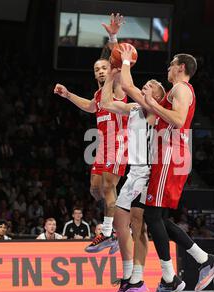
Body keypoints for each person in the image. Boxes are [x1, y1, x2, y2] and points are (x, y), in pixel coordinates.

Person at [138, 53, 214, 292]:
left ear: (181, 67)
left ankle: (170, 278)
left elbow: (179, 119)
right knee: (157, 217)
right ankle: (203, 259)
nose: (168, 67)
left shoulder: (182, 88)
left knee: (152, 215)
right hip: (167, 156)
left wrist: (152, 105)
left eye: (171, 64)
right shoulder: (174, 92)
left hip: (170, 155)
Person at [54, 13, 127, 253]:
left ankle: (109, 233)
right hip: (101, 147)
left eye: (104, 68)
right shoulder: (98, 96)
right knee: (95, 190)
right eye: (97, 69)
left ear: (111, 70)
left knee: (107, 188)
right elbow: (88, 106)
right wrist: (67, 94)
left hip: (118, 145)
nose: (101, 71)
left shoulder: (116, 87)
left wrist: (113, 36)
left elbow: (116, 61)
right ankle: (116, 217)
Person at [100, 52, 165, 292]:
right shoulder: (135, 108)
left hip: (147, 173)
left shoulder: (153, 110)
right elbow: (106, 103)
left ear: (157, 97)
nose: (145, 87)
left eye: (150, 87)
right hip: (132, 172)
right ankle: (129, 278)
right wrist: (110, 79)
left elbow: (128, 85)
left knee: (139, 227)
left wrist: (125, 60)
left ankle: (137, 281)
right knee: (120, 223)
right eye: (145, 85)